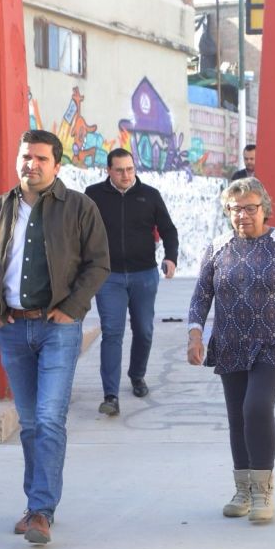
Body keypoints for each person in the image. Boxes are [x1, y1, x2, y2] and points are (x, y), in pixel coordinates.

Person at [0, 130, 110, 545]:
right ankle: (37, 504)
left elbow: (99, 264)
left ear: (57, 165)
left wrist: (72, 309)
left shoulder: (80, 208)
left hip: (58, 329)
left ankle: (40, 511)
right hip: (12, 328)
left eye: (40, 158)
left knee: (49, 419)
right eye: (25, 156)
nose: (30, 164)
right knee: (30, 423)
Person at [186, 177, 275, 523]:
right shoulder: (217, 248)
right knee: (236, 416)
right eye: (235, 208)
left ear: (265, 209)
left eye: (250, 208)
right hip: (230, 343)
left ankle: (263, 491)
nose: (243, 215)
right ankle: (242, 489)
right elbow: (200, 297)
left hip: (274, 341)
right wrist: (194, 335)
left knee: (256, 407)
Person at [85, 148, 179, 415]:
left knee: (144, 330)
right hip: (108, 277)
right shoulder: (93, 195)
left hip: (144, 275)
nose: (126, 175)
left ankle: (137, 375)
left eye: (130, 169)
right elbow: (79, 230)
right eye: (119, 170)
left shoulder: (150, 195)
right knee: (112, 332)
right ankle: (111, 395)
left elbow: (169, 230)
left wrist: (170, 258)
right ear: (108, 171)